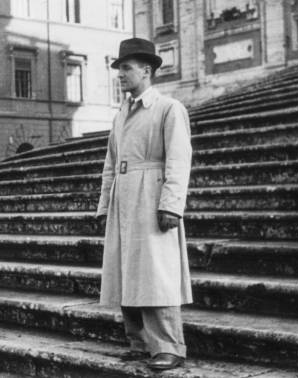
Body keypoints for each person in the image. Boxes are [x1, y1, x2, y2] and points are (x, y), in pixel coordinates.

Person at [95, 37, 193, 371]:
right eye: (119, 68)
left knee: (156, 273)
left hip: (151, 197)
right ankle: (138, 341)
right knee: (126, 272)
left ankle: (168, 345)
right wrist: (104, 205)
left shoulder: (168, 109)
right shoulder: (120, 115)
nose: (120, 74)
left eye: (126, 68)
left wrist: (171, 205)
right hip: (123, 198)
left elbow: (179, 161)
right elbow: (110, 163)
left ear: (146, 70)